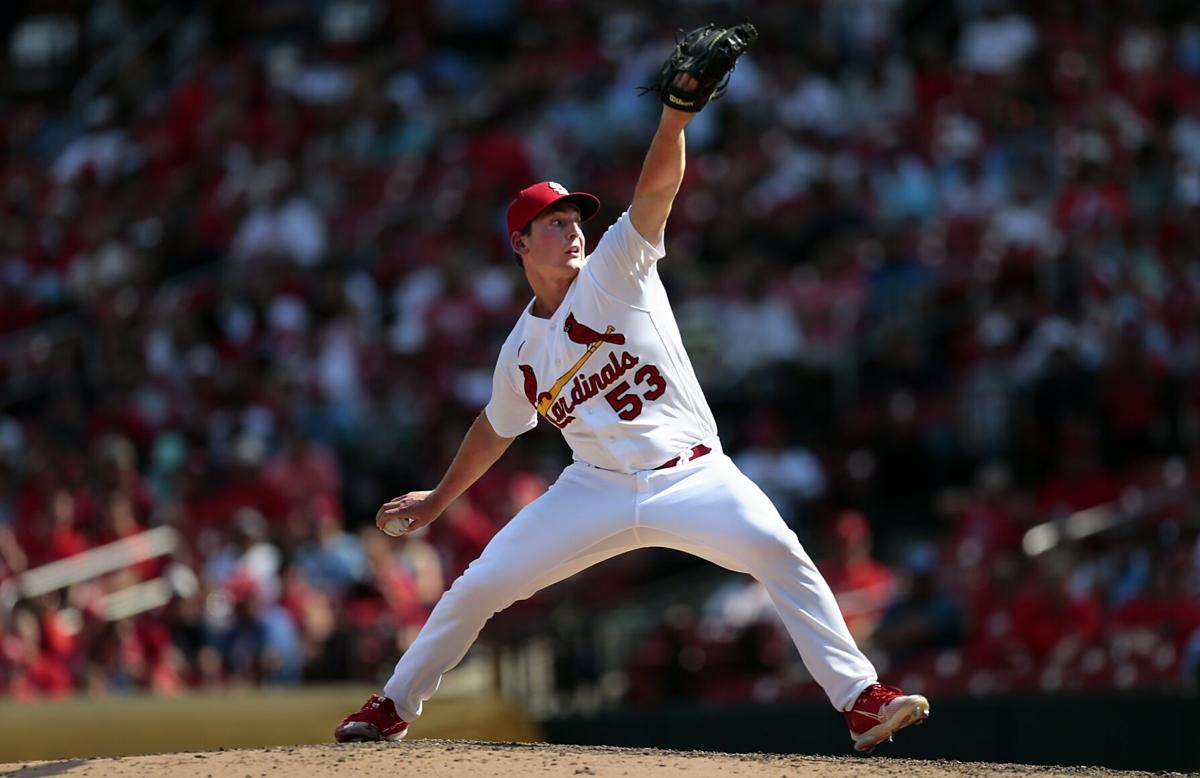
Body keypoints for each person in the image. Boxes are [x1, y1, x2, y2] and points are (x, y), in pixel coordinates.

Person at [334, 32, 929, 753]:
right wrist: (439, 499)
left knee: (778, 549)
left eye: (576, 220)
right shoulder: (521, 349)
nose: (573, 231)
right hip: (595, 488)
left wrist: (675, 118)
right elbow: (497, 426)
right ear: (521, 243)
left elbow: (657, 188)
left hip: (694, 472)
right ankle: (393, 705)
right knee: (480, 585)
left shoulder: (616, 269)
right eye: (555, 224)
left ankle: (861, 700)